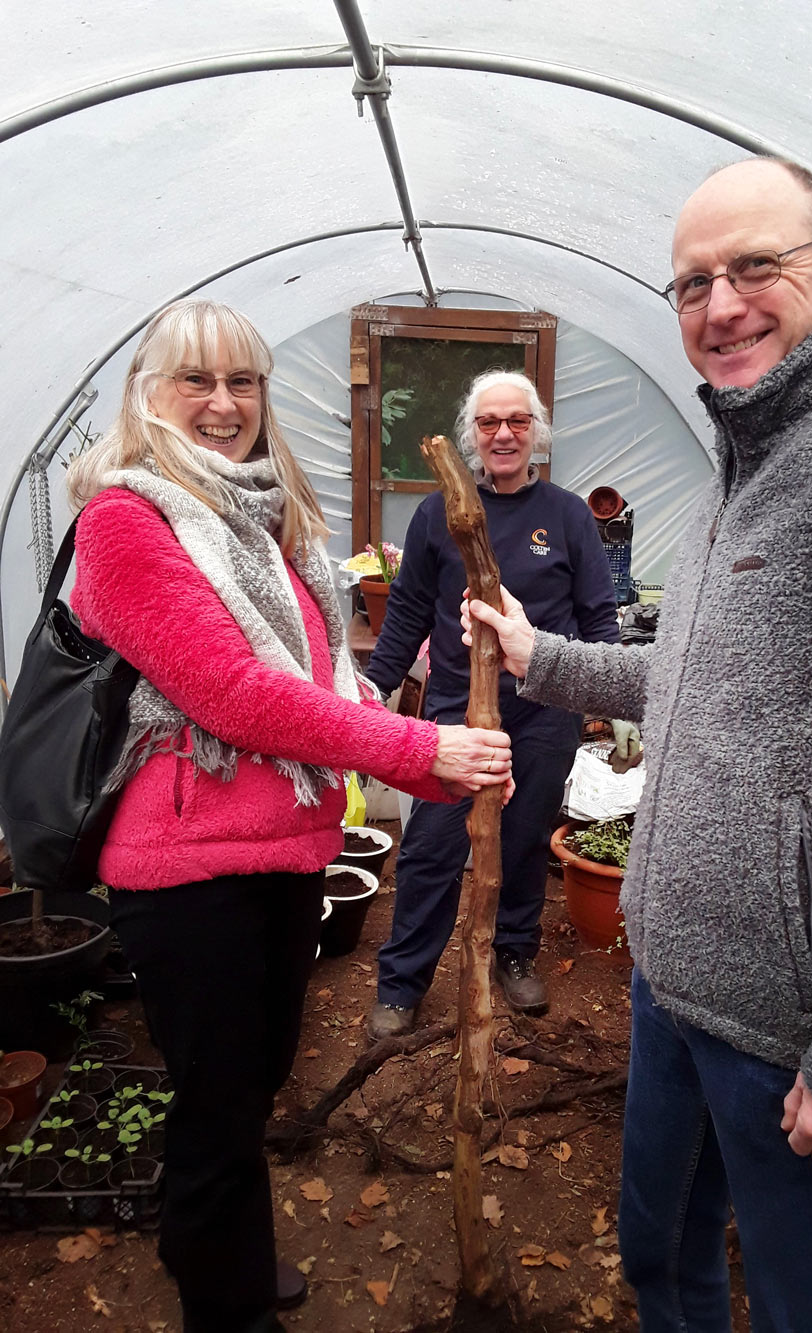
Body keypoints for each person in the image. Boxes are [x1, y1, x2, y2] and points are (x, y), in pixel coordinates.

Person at [465, 158, 812, 1332]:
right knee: (660, 1263)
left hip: (794, 1037)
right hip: (669, 986)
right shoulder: (728, 486)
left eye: (756, 266)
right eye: (693, 281)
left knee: (807, 1310)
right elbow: (696, 680)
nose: (721, 305)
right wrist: (540, 657)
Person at [65, 299, 512, 1333]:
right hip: (187, 867)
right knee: (219, 1108)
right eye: (197, 380)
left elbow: (324, 680)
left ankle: (215, 1248)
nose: (224, 405)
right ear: (149, 392)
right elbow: (235, 694)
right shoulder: (125, 520)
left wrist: (451, 772)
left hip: (282, 854)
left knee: (253, 1081)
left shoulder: (262, 524)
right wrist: (419, 748)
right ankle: (226, 1307)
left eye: (244, 382)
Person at [364, 369, 620, 1039]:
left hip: (543, 710)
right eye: (488, 422)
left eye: (517, 421)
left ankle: (513, 951)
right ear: (469, 435)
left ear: (537, 431)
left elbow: (599, 618)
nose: (503, 433)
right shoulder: (438, 513)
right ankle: (403, 981)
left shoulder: (566, 515)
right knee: (430, 848)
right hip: (456, 710)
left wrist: (602, 699)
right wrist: (371, 690)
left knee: (525, 838)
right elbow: (408, 613)